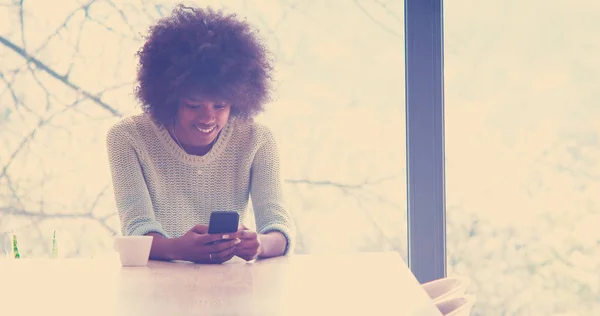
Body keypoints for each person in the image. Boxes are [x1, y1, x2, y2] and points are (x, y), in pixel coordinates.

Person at [105, 4, 295, 264]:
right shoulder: (128, 137)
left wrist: (260, 244)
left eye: (220, 106)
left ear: (238, 100)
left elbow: (278, 226)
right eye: (193, 105)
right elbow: (136, 226)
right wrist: (176, 249)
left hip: (234, 287)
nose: (208, 118)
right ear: (170, 99)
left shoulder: (256, 139)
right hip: (156, 288)